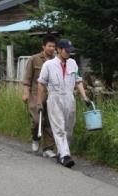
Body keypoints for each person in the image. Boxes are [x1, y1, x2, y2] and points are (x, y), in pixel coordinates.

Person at [37, 39, 91, 168]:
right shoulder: (48, 65)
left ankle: (62, 153)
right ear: (59, 50)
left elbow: (78, 81)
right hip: (55, 98)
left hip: (69, 98)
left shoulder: (73, 63)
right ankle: (65, 156)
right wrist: (39, 102)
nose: (69, 54)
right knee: (59, 128)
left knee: (69, 129)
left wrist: (85, 97)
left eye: (70, 52)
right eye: (66, 51)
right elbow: (41, 83)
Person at [22, 35, 57, 158]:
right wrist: (26, 93)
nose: (52, 48)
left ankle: (48, 148)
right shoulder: (34, 59)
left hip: (51, 94)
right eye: (49, 46)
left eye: (53, 46)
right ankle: (35, 138)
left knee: (49, 121)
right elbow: (27, 79)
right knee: (37, 120)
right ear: (43, 46)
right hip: (36, 94)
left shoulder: (56, 61)